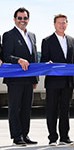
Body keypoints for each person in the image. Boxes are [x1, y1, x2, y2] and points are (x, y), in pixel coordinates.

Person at [40, 14, 74, 146]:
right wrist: (47, 62)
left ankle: (64, 137)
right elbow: (43, 60)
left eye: (64, 22)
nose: (62, 25)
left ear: (67, 24)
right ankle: (52, 138)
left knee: (65, 110)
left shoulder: (72, 40)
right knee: (51, 109)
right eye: (59, 23)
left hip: (68, 81)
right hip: (53, 82)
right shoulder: (47, 41)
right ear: (54, 24)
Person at [2, 7, 38, 146]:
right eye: (20, 18)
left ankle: (25, 134)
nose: (22, 21)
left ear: (28, 19)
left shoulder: (32, 36)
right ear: (14, 19)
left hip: (29, 78)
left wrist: (35, 78)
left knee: (26, 108)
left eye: (25, 18)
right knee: (15, 107)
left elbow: (34, 57)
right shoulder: (9, 35)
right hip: (15, 79)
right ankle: (17, 136)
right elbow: (6, 56)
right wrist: (18, 60)